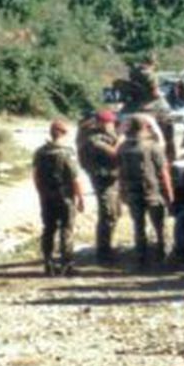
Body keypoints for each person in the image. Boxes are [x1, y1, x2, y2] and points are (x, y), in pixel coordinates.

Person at [32, 120, 85, 276]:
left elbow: (35, 176)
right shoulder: (67, 153)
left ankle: (48, 263)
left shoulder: (40, 152)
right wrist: (80, 198)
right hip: (65, 196)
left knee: (48, 229)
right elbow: (75, 178)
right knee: (66, 229)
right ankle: (66, 264)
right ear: (64, 133)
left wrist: (41, 192)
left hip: (46, 195)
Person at [119, 115, 173, 267]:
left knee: (138, 226)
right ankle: (163, 256)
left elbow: (120, 172)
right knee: (160, 226)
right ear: (144, 127)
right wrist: (169, 193)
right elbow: (164, 172)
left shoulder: (124, 148)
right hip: (152, 191)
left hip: (132, 192)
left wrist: (122, 192)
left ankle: (140, 259)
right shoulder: (153, 146)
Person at [79, 110, 122, 263]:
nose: (112, 125)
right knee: (108, 215)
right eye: (110, 123)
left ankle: (108, 247)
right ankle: (103, 253)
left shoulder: (108, 135)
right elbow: (114, 153)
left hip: (113, 180)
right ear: (103, 123)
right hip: (103, 182)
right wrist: (121, 139)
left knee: (116, 213)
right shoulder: (94, 139)